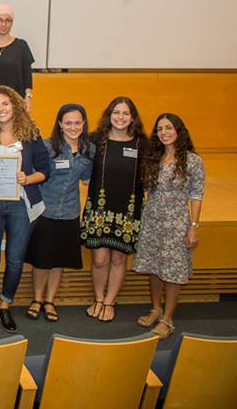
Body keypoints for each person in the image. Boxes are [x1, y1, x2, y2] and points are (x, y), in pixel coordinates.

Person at [0, 85, 49, 332]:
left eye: (5, 103)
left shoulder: (31, 134)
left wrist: (27, 178)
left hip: (21, 204)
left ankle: (5, 304)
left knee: (15, 260)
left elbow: (45, 171)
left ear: (15, 105)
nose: (1, 108)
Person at [134, 114, 204, 339]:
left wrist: (193, 226)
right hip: (153, 221)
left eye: (169, 128)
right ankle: (156, 309)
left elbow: (196, 195)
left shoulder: (192, 161)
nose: (164, 132)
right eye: (160, 129)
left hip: (176, 223)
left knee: (173, 271)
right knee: (154, 266)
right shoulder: (154, 158)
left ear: (178, 131)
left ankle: (167, 318)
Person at [23, 103, 94, 323]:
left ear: (83, 124)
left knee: (58, 261)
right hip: (45, 210)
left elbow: (87, 179)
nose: (73, 127)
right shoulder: (47, 146)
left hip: (70, 213)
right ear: (60, 125)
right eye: (68, 123)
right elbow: (35, 173)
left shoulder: (89, 150)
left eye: (77, 123)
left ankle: (50, 301)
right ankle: (37, 299)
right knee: (42, 259)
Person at [80, 96, 146, 323]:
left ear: (132, 117)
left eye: (125, 113)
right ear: (109, 115)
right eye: (116, 112)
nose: (120, 117)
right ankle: (99, 298)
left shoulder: (141, 144)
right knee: (99, 259)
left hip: (127, 210)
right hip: (99, 209)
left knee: (118, 258)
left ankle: (110, 301)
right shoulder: (95, 140)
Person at [0, 5, 34, 112]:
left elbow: (27, 75)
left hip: (15, 104)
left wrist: (28, 97)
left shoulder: (21, 46)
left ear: (12, 23)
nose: (3, 24)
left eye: (7, 20)